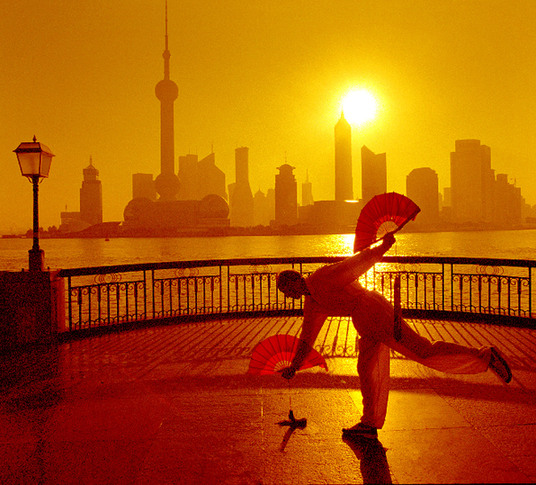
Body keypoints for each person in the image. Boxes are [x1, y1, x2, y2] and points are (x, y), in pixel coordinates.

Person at [276, 232, 512, 440]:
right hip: (367, 321)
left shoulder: (322, 277)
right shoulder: (312, 304)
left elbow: (356, 263)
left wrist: (382, 247)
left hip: (374, 312)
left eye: (287, 290)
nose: (288, 296)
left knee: (421, 352)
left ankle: (484, 356)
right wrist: (295, 366)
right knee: (370, 368)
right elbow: (308, 338)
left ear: (296, 280)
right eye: (285, 293)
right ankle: (369, 422)